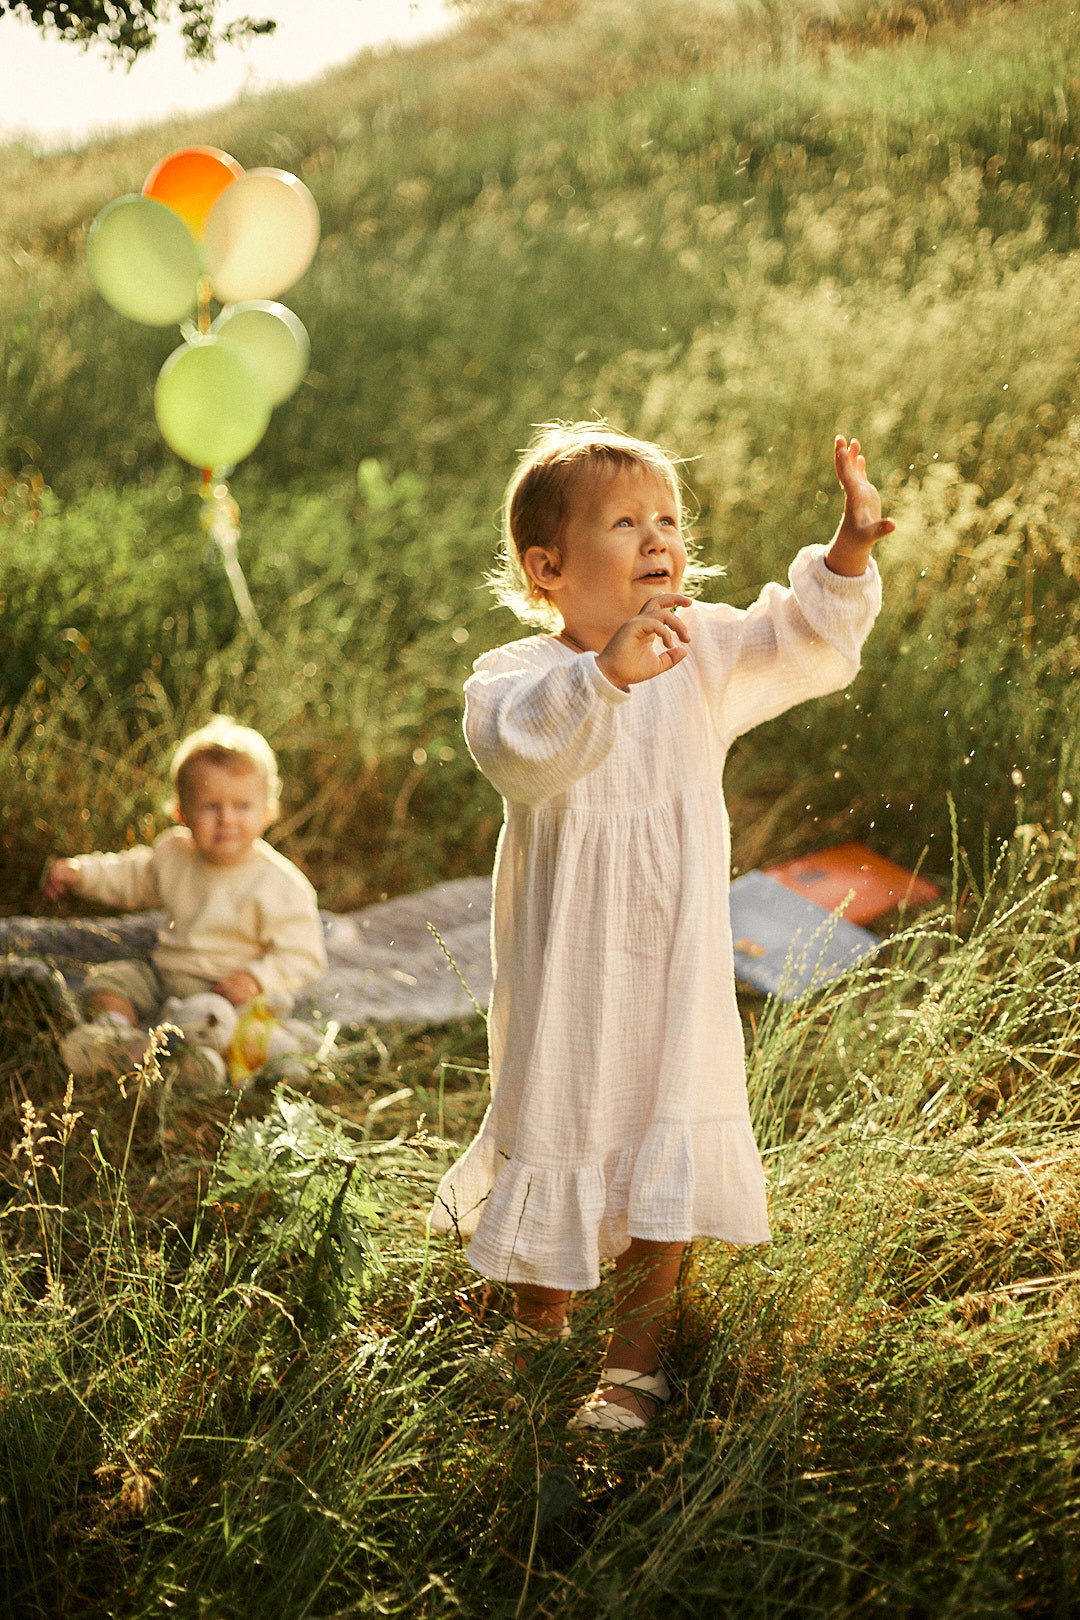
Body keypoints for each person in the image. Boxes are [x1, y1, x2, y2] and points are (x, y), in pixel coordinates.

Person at [429, 421, 892, 1432]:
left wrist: (849, 550)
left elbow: (803, 641)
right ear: (547, 566)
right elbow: (522, 754)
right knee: (555, 1105)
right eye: (624, 522)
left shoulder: (701, 647)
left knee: (667, 1117)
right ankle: (537, 1318)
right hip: (569, 959)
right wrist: (606, 674)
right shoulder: (515, 677)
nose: (657, 539)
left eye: (668, 519)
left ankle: (633, 1364)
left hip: (674, 954)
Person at [43, 715, 327, 1079]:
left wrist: (256, 978)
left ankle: (199, 1065)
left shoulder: (280, 883)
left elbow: (304, 954)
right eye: (211, 806)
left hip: (229, 991)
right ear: (182, 812)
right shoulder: (174, 853)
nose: (226, 819)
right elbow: (129, 875)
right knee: (108, 982)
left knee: (231, 1024)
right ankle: (116, 1038)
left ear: (267, 812)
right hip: (167, 977)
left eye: (242, 806)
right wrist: (80, 874)